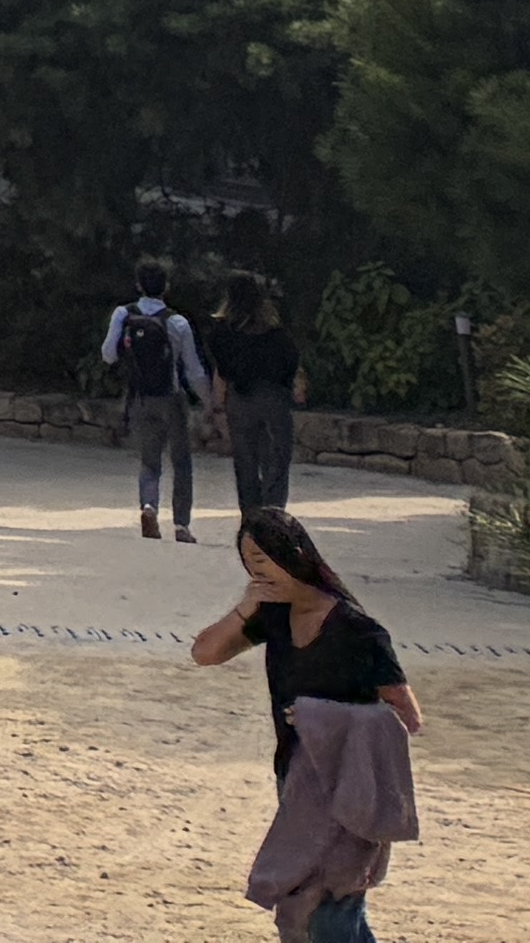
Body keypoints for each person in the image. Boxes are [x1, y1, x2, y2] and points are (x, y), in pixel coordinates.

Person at [197, 510, 420, 940]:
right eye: (249, 563)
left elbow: (407, 717)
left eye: (263, 560)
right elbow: (205, 653)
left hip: (353, 784)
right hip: (296, 780)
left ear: (295, 555)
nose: (257, 571)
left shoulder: (359, 632)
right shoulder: (274, 617)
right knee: (308, 903)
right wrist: (247, 605)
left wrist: (327, 719)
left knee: (332, 906)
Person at [101, 260, 210, 539]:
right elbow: (193, 368)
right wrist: (209, 400)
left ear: (138, 285)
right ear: (167, 286)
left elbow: (108, 355)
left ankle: (149, 505)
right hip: (171, 397)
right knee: (181, 460)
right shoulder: (177, 322)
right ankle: (181, 524)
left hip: (139, 396)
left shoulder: (123, 314)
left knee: (149, 459)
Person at [212, 271, 306, 518]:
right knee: (276, 460)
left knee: (245, 463)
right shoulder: (273, 330)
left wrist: (218, 405)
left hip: (239, 399)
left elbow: (221, 369)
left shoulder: (222, 331)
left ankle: (251, 518)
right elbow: (291, 359)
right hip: (273, 397)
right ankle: (273, 513)